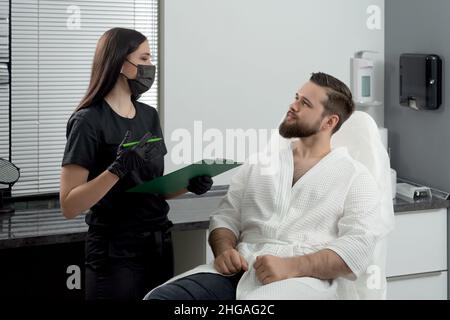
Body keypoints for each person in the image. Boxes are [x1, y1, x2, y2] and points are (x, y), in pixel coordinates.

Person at [144, 72, 391, 300]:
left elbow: (357, 248)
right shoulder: (260, 164)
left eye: (305, 103)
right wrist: (224, 250)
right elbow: (226, 217)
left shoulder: (355, 178)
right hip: (239, 270)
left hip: (303, 281)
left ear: (329, 122)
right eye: (296, 97)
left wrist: (292, 266)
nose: (293, 106)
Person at [59, 27, 213, 300]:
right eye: (143, 59)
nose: (150, 66)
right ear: (120, 63)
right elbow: (70, 205)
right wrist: (115, 170)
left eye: (150, 59)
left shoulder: (148, 116)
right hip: (115, 251)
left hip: (158, 242)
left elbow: (153, 188)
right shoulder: (87, 121)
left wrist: (189, 184)